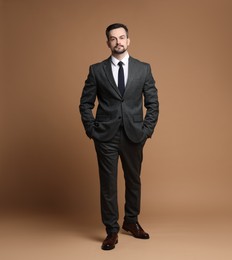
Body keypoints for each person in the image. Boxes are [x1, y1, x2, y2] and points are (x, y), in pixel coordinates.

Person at [79, 23, 159, 250]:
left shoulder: (143, 69)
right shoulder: (97, 70)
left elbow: (153, 103)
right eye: (113, 39)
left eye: (122, 37)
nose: (118, 42)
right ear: (108, 43)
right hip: (105, 136)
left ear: (128, 40)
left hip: (134, 135)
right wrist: (92, 130)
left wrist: (146, 131)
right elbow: (85, 103)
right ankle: (111, 230)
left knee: (134, 181)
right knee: (108, 184)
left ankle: (131, 221)